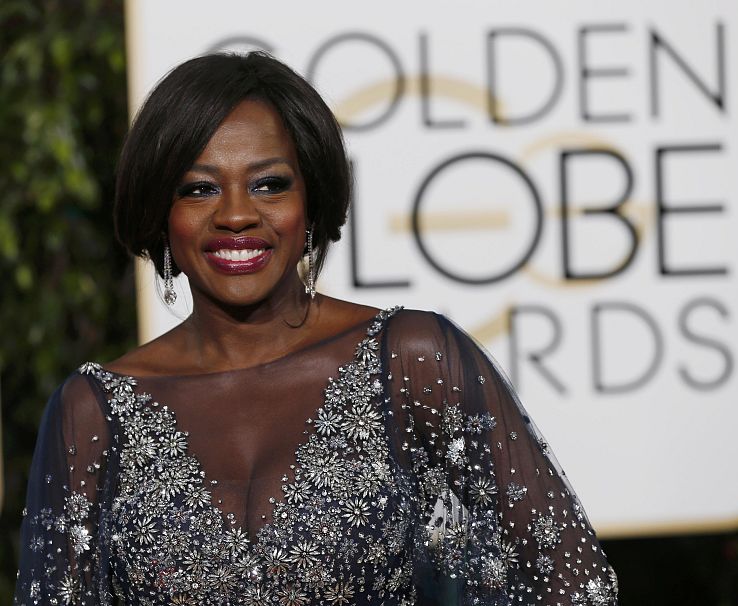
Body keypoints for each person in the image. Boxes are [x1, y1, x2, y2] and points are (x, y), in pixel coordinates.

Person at [14, 52, 618, 605]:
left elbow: (576, 586)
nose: (236, 214)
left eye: (269, 183)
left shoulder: (409, 360)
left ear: (313, 198)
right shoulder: (94, 411)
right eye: (198, 189)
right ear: (159, 213)